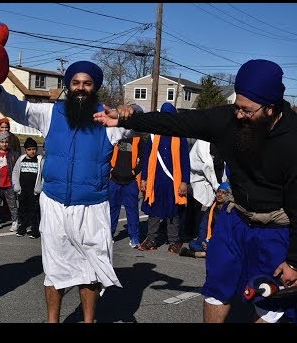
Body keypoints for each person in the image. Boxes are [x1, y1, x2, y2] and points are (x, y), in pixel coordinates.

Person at [93, 59, 297, 323]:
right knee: (216, 287)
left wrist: (293, 261)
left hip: (276, 228)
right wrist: (127, 118)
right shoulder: (229, 119)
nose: (238, 115)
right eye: (237, 107)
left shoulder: (292, 142)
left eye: (247, 111)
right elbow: (178, 123)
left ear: (270, 108)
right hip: (235, 219)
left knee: (271, 302)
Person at [0, 60, 133, 323]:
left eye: (87, 84)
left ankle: (89, 320)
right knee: (54, 269)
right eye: (76, 83)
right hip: (54, 204)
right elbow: (16, 108)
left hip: (92, 207)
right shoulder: (51, 114)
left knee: (91, 271)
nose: (81, 88)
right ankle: (52, 319)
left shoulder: (107, 118)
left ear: (95, 87)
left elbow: (139, 122)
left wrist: (131, 109)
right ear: (68, 86)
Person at [138, 102, 190, 254]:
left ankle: (174, 241)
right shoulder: (153, 137)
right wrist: (144, 178)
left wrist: (184, 182)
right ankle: (151, 238)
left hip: (174, 182)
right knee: (153, 210)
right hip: (155, 180)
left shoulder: (180, 137)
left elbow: (185, 161)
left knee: (173, 211)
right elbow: (146, 158)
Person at [109, 131, 145, 248]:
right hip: (114, 180)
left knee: (132, 210)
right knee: (112, 210)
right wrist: (111, 169)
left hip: (131, 181)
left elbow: (144, 159)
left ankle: (134, 237)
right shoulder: (115, 136)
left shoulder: (138, 139)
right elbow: (107, 153)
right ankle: (109, 235)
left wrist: (135, 171)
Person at [183, 139, 226, 240]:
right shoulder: (202, 142)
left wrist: (221, 183)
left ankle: (211, 232)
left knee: (215, 208)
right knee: (194, 207)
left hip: (216, 176)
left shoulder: (223, 141)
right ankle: (190, 232)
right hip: (198, 179)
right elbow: (206, 165)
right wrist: (217, 186)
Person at [179, 181, 231, 258]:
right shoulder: (211, 208)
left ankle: (198, 254)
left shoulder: (230, 210)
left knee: (227, 248)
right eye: (218, 192)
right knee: (192, 244)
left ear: (229, 196)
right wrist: (203, 241)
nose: (219, 195)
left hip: (223, 241)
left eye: (223, 193)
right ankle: (211, 252)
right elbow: (203, 227)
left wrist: (212, 243)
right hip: (210, 239)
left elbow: (227, 233)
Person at [12, 137, 44, 239]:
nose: (32, 151)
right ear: (25, 150)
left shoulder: (40, 160)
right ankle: (22, 228)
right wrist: (16, 186)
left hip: (34, 191)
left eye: (34, 149)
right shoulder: (21, 159)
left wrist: (40, 188)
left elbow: (44, 176)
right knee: (22, 210)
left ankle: (35, 230)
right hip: (23, 191)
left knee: (34, 211)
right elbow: (15, 173)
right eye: (29, 149)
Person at [0, 130, 20, 231]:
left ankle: (15, 221)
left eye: (6, 142)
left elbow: (17, 168)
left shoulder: (13, 154)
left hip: (9, 183)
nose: (4, 144)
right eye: (2, 142)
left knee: (12, 204)